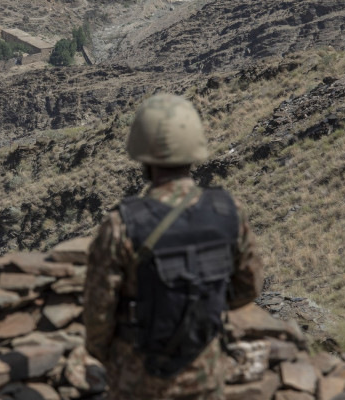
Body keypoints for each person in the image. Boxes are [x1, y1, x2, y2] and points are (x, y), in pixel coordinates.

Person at [84, 94, 263, 399]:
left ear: (143, 156)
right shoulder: (228, 211)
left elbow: (98, 315)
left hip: (139, 378)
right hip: (206, 371)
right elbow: (249, 286)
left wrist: (112, 358)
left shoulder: (121, 225)